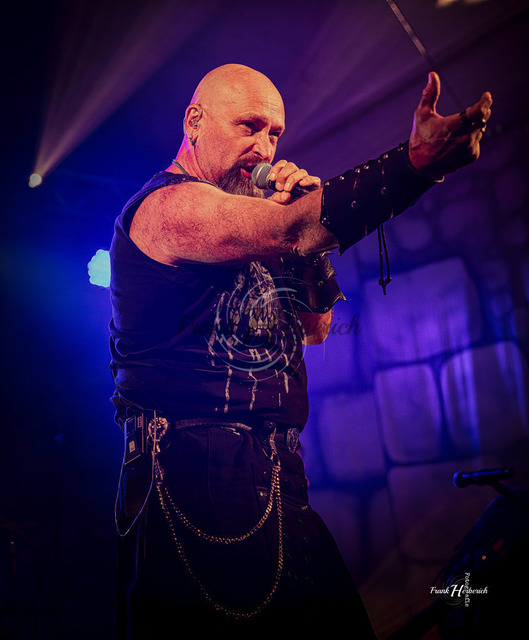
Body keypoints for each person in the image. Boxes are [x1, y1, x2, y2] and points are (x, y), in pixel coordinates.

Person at [109, 63, 492, 638]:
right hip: (194, 470)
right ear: (195, 122)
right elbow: (288, 231)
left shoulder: (253, 218)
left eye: (275, 134)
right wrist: (413, 163)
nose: (265, 148)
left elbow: (315, 327)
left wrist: (302, 229)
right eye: (249, 127)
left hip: (278, 469)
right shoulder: (166, 209)